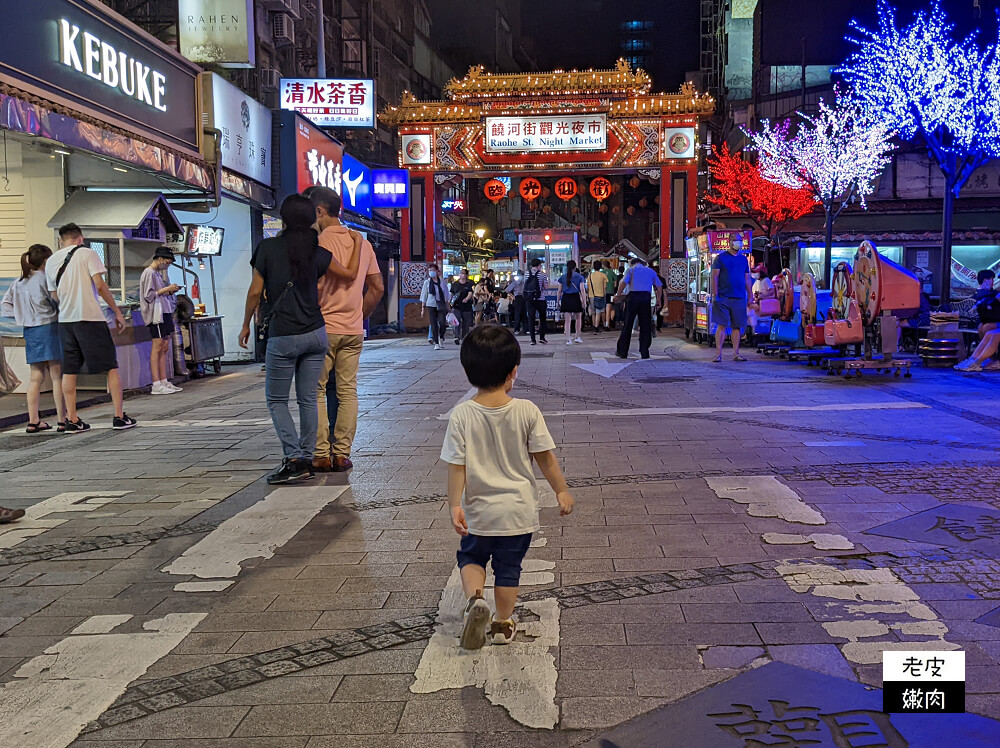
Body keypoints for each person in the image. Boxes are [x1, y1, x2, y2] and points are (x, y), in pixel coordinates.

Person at [441, 325, 574, 648]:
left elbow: (456, 465)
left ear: (467, 370)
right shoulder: (527, 411)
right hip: (517, 513)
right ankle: (501, 624)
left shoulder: (461, 415)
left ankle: (476, 601)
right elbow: (546, 460)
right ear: (513, 372)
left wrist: (455, 505)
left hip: (478, 512)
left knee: (471, 560)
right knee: (508, 569)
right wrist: (561, 490)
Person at [239, 195, 331, 484]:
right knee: (308, 399)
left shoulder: (267, 248)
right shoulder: (319, 252)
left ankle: (293, 458)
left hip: (284, 335)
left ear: (284, 218)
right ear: (312, 219)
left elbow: (256, 291)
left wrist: (245, 325)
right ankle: (308, 456)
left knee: (277, 400)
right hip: (316, 332)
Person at [309, 186, 383, 473]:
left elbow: (312, 288)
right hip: (353, 330)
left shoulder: (316, 244)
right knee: (347, 391)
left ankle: (320, 454)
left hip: (324, 328)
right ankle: (341, 454)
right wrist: (358, 315)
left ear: (319, 211)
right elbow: (377, 287)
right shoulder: (362, 243)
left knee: (316, 391)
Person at [45, 223, 136, 433]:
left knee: (69, 370)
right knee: (110, 367)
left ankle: (72, 420)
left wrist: (69, 303)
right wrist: (117, 312)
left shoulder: (51, 261)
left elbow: (54, 295)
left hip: (66, 322)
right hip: (91, 319)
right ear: (80, 238)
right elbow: (100, 285)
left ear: (61, 239)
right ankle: (119, 416)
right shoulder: (87, 253)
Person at [2, 244, 65, 433]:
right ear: (46, 261)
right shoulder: (45, 279)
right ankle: (63, 419)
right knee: (56, 376)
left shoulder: (19, 281)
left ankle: (33, 420)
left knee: (35, 377)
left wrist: (22, 315)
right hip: (49, 328)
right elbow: (57, 301)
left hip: (30, 330)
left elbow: (5, 306)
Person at [140, 247, 182, 396]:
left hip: (164, 311)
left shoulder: (157, 274)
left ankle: (164, 380)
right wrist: (166, 289)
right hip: (155, 314)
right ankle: (156, 383)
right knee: (157, 346)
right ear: (160, 259)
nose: (167, 265)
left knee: (165, 346)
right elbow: (148, 295)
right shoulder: (149, 273)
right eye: (167, 262)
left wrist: (170, 290)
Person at [710, 234, 753, 363]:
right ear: (730, 242)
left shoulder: (743, 260)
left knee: (737, 326)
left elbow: (747, 278)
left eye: (740, 241)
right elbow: (715, 277)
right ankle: (718, 354)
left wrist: (750, 295)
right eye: (736, 240)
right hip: (723, 297)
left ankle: (736, 353)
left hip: (739, 297)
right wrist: (715, 294)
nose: (738, 243)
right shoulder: (720, 258)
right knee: (722, 325)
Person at [615, 258, 663, 360]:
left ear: (632, 263)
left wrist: (618, 295)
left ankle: (623, 352)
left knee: (628, 324)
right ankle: (644, 352)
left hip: (633, 298)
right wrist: (659, 299)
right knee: (645, 325)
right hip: (646, 298)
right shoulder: (650, 271)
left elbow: (623, 283)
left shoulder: (631, 270)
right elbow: (659, 286)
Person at [420, 263, 450, 350]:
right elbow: (424, 295)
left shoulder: (442, 282)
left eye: (433, 270)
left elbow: (446, 294)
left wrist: (448, 306)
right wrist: (423, 308)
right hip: (431, 304)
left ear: (437, 271)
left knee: (442, 323)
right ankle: (436, 343)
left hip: (441, 305)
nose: (431, 272)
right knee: (433, 324)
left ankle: (441, 337)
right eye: (430, 271)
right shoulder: (427, 282)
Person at [558, 259, 587, 344]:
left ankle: (568, 339)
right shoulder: (580, 277)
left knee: (567, 320)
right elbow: (582, 290)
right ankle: (577, 337)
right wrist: (584, 301)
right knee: (578, 318)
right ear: (575, 267)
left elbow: (559, 291)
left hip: (566, 298)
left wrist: (558, 302)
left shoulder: (562, 277)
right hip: (575, 298)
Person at [523, 258, 549, 346]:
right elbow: (546, 287)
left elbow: (525, 285)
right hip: (540, 299)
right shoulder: (542, 274)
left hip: (529, 300)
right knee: (542, 318)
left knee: (531, 319)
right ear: (539, 265)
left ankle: (532, 340)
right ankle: (542, 338)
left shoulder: (527, 273)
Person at [450, 268, 476, 344]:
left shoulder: (470, 284)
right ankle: (456, 336)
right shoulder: (455, 284)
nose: (461, 275)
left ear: (466, 275)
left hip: (466, 306)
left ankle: (464, 337)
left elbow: (470, 292)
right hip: (456, 306)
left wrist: (466, 299)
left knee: (466, 322)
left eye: (463, 273)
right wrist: (449, 302)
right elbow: (451, 293)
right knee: (456, 321)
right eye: (460, 273)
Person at [587, 260, 610, 332]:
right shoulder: (603, 275)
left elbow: (587, 287)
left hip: (591, 295)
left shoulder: (590, 276)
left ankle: (594, 325)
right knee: (599, 311)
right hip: (600, 295)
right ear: (601, 267)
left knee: (593, 312)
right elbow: (605, 287)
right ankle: (598, 326)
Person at [602, 263, 620, 329]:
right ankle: (610, 321)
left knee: (604, 308)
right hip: (611, 292)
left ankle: (605, 323)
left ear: (603, 266)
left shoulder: (602, 272)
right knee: (611, 307)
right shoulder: (612, 273)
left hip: (603, 292)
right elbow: (615, 284)